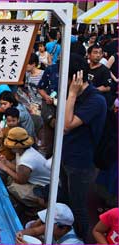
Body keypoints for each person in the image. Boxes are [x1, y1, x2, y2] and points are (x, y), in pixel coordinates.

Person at [61, 54, 107, 242]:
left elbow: (67, 124)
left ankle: (82, 238)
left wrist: (71, 94)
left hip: (81, 161)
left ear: (75, 78)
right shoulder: (76, 96)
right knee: (65, 198)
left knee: (78, 205)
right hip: (66, 155)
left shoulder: (95, 100)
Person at [0, 127, 50, 208]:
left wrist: (5, 168)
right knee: (10, 179)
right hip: (33, 179)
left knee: (13, 187)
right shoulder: (22, 151)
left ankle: (33, 207)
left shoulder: (26, 159)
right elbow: (18, 169)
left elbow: (21, 181)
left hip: (45, 188)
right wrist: (6, 162)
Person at [15, 203, 83, 244]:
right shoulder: (54, 227)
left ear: (63, 228)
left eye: (49, 222)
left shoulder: (72, 242)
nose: (46, 225)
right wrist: (20, 234)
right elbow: (34, 230)